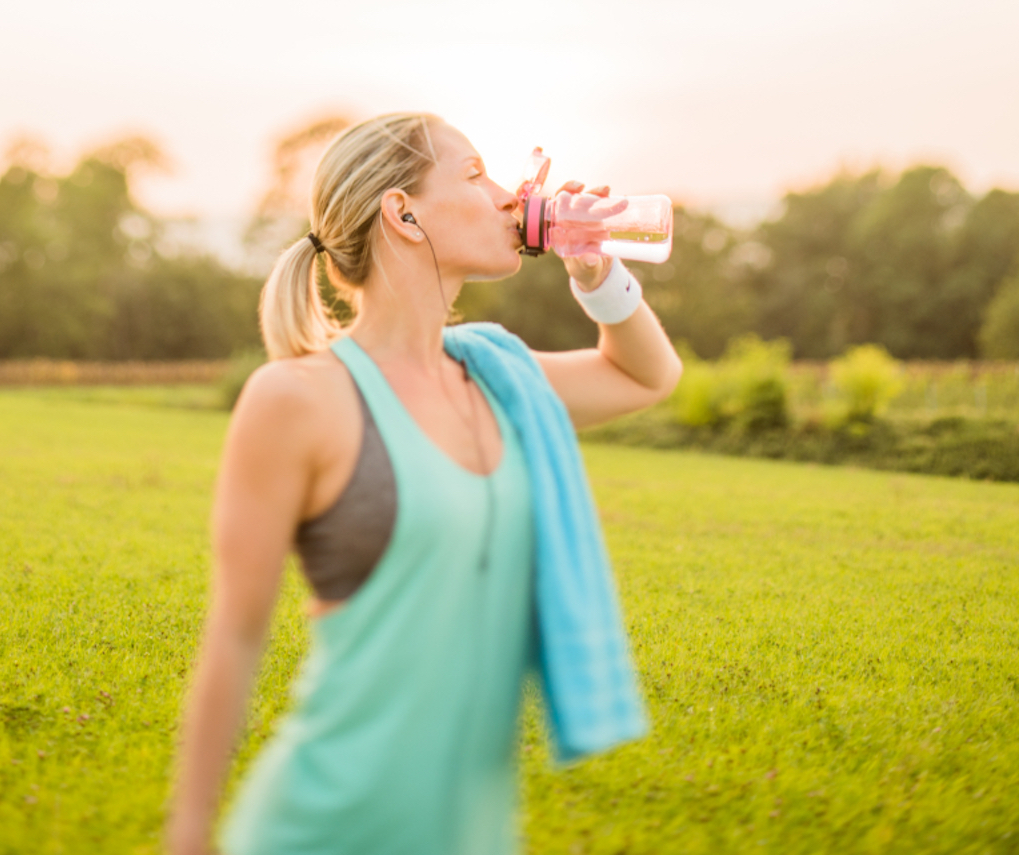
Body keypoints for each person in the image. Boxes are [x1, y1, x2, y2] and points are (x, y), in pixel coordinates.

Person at [167, 113, 682, 855]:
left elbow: (646, 375)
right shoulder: (297, 400)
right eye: (475, 174)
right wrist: (188, 834)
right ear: (403, 214)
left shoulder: (500, 376)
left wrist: (596, 274)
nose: (508, 196)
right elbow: (235, 636)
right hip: (322, 828)